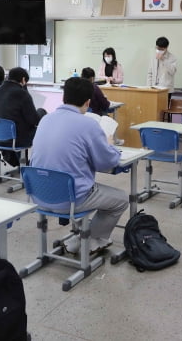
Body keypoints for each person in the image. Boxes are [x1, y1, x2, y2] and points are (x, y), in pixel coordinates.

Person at [30, 77, 128, 254]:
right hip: (70, 198)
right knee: (121, 199)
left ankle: (82, 237)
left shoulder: (45, 119)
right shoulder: (88, 124)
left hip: (39, 194)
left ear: (63, 98)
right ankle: (88, 239)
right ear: (88, 102)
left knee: (80, 181)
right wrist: (110, 144)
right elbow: (107, 161)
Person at [0, 67, 46, 166]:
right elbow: (34, 120)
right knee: (42, 114)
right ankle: (37, 164)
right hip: (16, 139)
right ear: (23, 80)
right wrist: (41, 113)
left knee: (19, 124)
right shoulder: (22, 94)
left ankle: (17, 161)